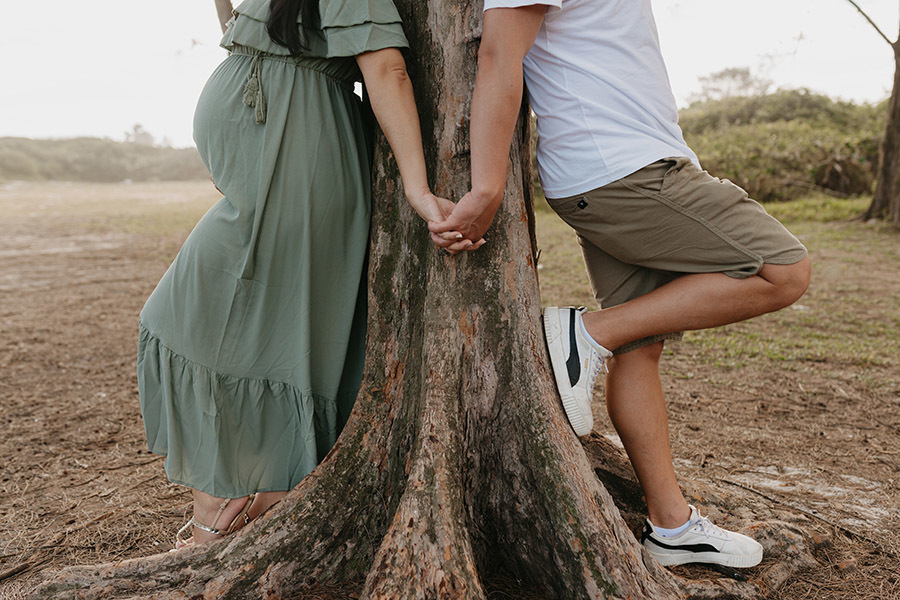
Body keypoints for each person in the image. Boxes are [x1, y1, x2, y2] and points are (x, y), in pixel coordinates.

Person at [429, 0, 811, 569]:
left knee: (639, 347)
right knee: (783, 271)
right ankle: (583, 333)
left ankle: (671, 525)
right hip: (623, 170)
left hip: (621, 165)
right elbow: (498, 55)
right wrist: (485, 188)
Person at [138, 0, 477, 549]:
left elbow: (385, 66)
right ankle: (250, 491)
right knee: (247, 314)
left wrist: (417, 188)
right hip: (272, 133)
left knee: (209, 314)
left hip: (299, 137)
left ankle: (238, 499)